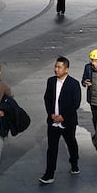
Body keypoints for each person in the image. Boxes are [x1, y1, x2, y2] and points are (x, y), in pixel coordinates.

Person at [39, 56, 81, 185]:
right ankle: (49, 174)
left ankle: (74, 163)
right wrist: (51, 113)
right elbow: (47, 98)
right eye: (55, 66)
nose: (56, 69)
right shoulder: (51, 81)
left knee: (71, 144)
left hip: (67, 122)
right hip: (53, 122)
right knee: (52, 148)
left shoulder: (74, 84)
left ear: (66, 69)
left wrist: (63, 116)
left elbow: (76, 103)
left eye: (59, 67)